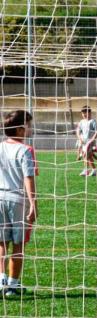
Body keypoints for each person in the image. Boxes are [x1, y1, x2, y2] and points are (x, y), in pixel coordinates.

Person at [0, 110, 38, 297]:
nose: (31, 129)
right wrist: (33, 203)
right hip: (17, 200)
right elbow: (28, 178)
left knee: (1, 243)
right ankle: (12, 286)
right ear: (21, 129)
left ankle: (1, 281)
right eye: (29, 125)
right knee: (18, 244)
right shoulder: (25, 150)